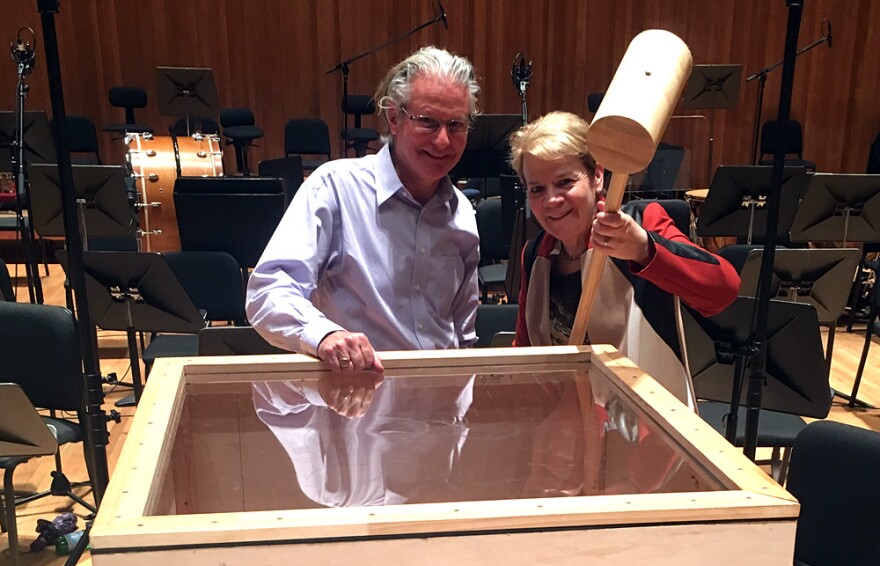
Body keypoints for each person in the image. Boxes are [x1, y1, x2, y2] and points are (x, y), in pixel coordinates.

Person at [246, 46, 482, 373]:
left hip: (440, 410)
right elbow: (268, 290)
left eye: (456, 125)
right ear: (395, 118)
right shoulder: (334, 187)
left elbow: (462, 333)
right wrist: (325, 334)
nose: (443, 141)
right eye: (428, 122)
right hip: (358, 407)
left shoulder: (463, 212)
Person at [507, 111, 740, 404]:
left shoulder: (641, 223)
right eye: (537, 188)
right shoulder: (535, 252)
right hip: (565, 432)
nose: (551, 200)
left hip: (647, 427)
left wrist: (644, 249)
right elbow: (526, 348)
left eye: (565, 181)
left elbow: (724, 290)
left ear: (598, 176)